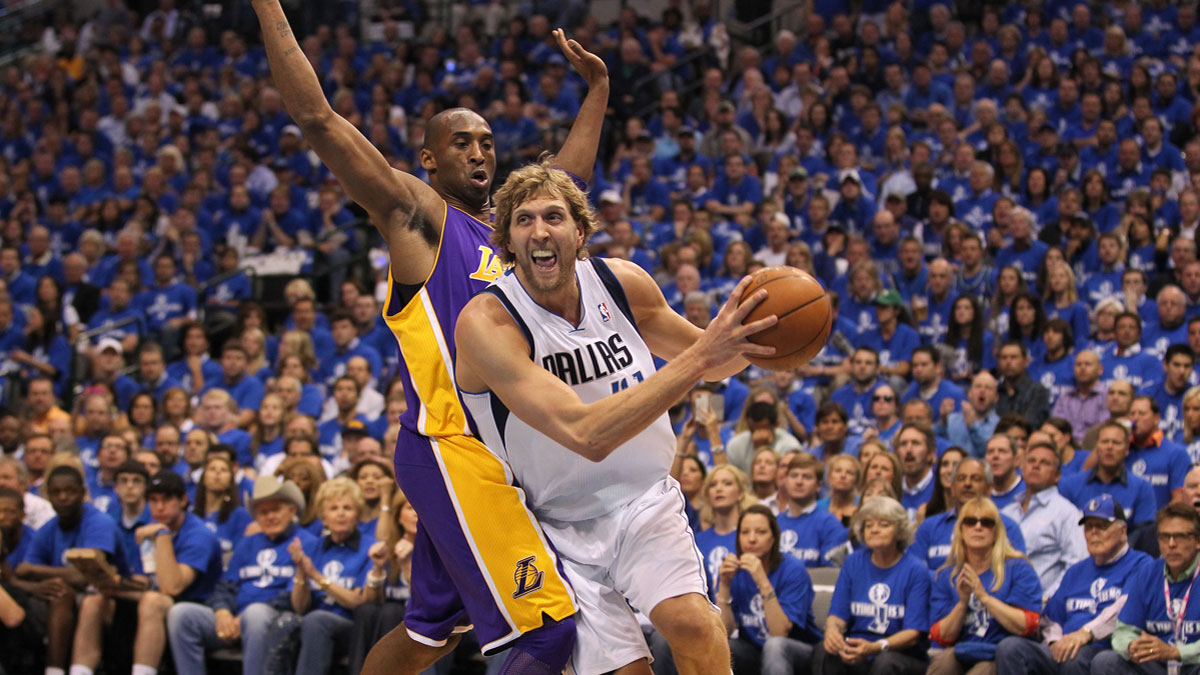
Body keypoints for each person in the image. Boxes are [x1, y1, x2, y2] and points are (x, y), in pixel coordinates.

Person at [257, 1, 614, 670]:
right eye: (461, 142)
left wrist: (597, 90)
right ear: (428, 158)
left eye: (486, 141)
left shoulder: (513, 237)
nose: (479, 151)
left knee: (431, 630)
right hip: (453, 447)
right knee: (547, 628)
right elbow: (318, 119)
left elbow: (569, 181)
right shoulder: (420, 217)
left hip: (509, 450)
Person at [455, 161, 776, 674]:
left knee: (694, 624)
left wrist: (761, 338)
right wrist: (702, 358)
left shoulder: (621, 283)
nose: (540, 230)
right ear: (507, 242)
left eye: (555, 217)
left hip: (643, 500)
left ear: (580, 231)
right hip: (551, 525)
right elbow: (587, 433)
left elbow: (718, 360)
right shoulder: (487, 323)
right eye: (524, 220)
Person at [71, 470, 222, 675]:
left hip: (195, 609)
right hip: (155, 600)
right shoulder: (150, 528)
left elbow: (172, 587)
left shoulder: (198, 534)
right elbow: (147, 580)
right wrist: (116, 585)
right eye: (153, 500)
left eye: (167, 500)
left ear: (184, 500)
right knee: (94, 601)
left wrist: (162, 536)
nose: (159, 507)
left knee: (152, 601)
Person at [166, 474, 319, 675]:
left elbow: (293, 598)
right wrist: (223, 612)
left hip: (273, 620)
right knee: (181, 614)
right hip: (233, 620)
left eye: (276, 510)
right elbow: (225, 585)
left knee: (255, 614)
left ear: (291, 511)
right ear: (255, 517)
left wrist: (243, 617)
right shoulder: (247, 543)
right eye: (263, 512)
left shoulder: (307, 542)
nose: (270, 517)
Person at [995, 494, 1156, 675]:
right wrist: (1055, 642)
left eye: (1102, 526)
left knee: (1076, 657)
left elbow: (1125, 610)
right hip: (1066, 647)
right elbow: (1052, 619)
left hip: (1104, 649)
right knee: (1010, 649)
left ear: (1123, 530)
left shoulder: (1142, 565)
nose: (1094, 533)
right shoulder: (1075, 571)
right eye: (1089, 527)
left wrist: (1086, 633)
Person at [16, 466, 131, 674]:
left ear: (83, 492)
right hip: (71, 599)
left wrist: (37, 570)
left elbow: (85, 577)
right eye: (56, 492)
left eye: (70, 491)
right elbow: (22, 571)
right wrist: (37, 581)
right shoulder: (49, 528)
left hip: (118, 600)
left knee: (63, 592)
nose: (63, 497)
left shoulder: (98, 522)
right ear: (48, 495)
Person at [814, 497, 930, 675]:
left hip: (899, 653)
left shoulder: (916, 570)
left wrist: (876, 647)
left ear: (899, 531)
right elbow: (837, 615)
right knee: (825, 649)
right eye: (869, 525)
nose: (874, 530)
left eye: (883, 525)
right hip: (857, 647)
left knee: (884, 662)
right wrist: (832, 632)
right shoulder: (853, 562)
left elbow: (912, 635)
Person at [928, 497, 1043, 675]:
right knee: (942, 664)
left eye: (987, 522)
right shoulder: (947, 574)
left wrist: (984, 597)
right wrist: (962, 604)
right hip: (962, 649)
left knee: (982, 671)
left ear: (996, 531)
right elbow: (941, 636)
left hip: (999, 653)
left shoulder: (1018, 568)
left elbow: (1028, 625)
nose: (978, 527)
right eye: (970, 521)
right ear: (960, 530)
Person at [1092, 503, 1200, 675]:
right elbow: (1123, 631)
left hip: (1193, 664)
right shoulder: (1147, 573)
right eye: (1165, 537)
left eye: (1180, 536)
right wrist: (1132, 646)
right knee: (1106, 662)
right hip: (1157, 664)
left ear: (1197, 541)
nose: (1171, 544)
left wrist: (1176, 652)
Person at [717, 504, 822, 675]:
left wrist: (762, 580)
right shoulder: (735, 570)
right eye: (745, 532)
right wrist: (724, 586)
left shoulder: (793, 569)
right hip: (753, 650)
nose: (751, 539)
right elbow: (724, 631)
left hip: (798, 650)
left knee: (775, 646)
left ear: (773, 538)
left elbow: (779, 632)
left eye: (760, 532)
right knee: (721, 646)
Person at [1000, 442, 1088, 599]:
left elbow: (1078, 564)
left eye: (1044, 463)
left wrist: (1047, 599)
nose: (1036, 466)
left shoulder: (1066, 513)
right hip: (1001, 604)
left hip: (1043, 606)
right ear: (1022, 469)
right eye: (1031, 461)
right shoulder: (1006, 513)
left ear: (1057, 476)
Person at [911, 457, 1027, 570]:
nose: (967, 483)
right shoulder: (929, 527)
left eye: (975, 478)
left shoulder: (1008, 527)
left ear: (989, 488)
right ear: (952, 488)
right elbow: (916, 574)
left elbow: (1018, 571)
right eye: (961, 478)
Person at [1059, 422, 1159, 530]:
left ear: (1126, 449)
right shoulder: (1068, 485)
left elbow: (1143, 533)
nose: (1109, 447)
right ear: (1097, 447)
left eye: (1116, 443)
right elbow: (1062, 528)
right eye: (1105, 441)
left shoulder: (1142, 488)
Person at [777, 454, 848, 567]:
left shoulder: (830, 524)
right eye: (794, 476)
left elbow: (832, 573)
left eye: (807, 477)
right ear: (786, 481)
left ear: (818, 486)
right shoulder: (774, 523)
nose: (799, 482)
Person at [1127, 395, 1190, 509]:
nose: (1135, 418)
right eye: (1132, 414)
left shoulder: (1176, 453)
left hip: (1160, 523)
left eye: (1142, 413)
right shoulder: (1121, 452)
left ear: (1156, 418)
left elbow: (1180, 499)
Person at [939, 372, 1001, 458]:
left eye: (988, 388)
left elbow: (988, 452)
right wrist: (942, 422)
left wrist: (973, 426)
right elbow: (937, 444)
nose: (982, 391)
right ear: (969, 393)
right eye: (978, 386)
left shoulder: (999, 425)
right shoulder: (952, 420)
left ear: (996, 397)